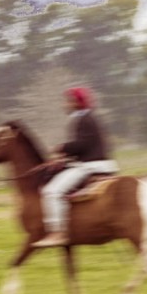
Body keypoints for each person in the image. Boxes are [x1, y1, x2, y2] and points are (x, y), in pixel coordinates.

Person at [32, 87, 119, 247]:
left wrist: (62, 148)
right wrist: (65, 157)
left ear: (78, 103)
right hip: (95, 163)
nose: (65, 104)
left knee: (52, 191)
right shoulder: (88, 118)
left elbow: (82, 145)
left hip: (90, 166)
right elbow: (86, 146)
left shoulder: (83, 119)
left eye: (68, 101)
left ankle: (58, 233)